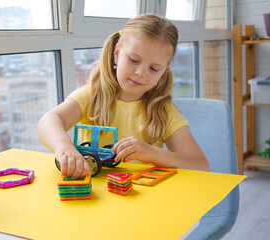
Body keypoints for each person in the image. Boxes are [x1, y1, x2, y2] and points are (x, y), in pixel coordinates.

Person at [37, 14, 209, 179]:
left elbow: (201, 165)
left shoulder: (164, 111)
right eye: (134, 60)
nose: (140, 73)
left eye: (154, 69)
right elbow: (48, 121)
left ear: (164, 71)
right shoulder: (92, 95)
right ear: (117, 54)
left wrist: (153, 154)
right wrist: (64, 147)